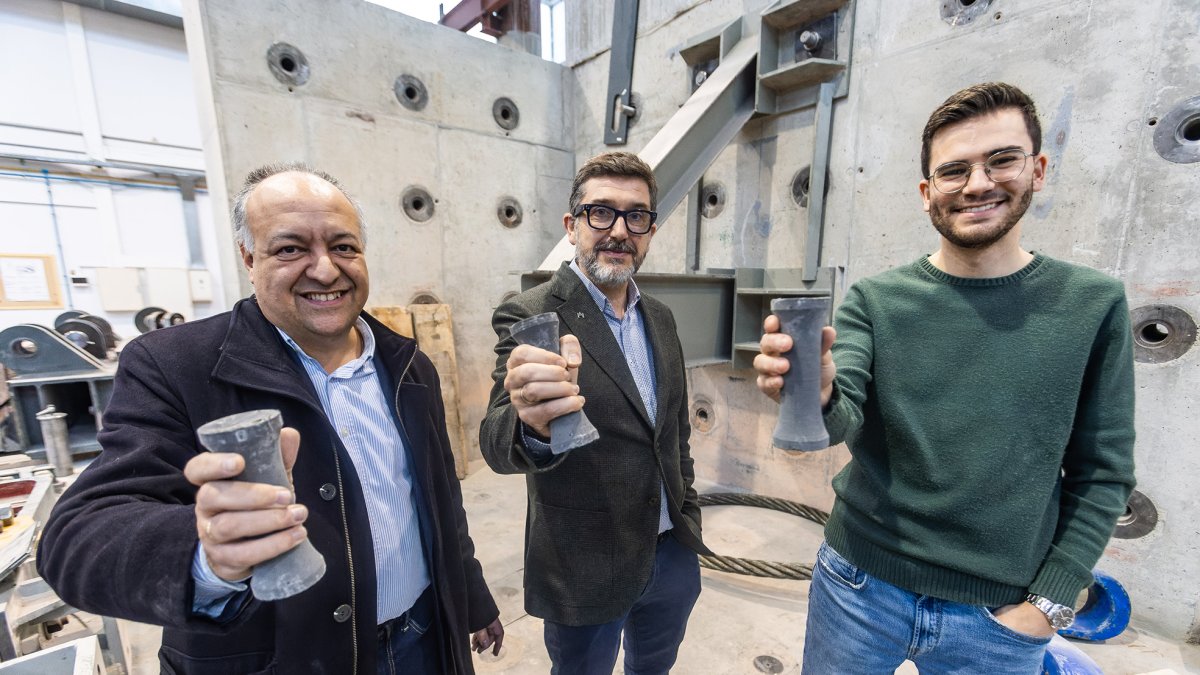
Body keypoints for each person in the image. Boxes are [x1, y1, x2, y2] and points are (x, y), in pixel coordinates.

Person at [38, 163, 503, 674]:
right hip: (285, 662)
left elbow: (439, 501)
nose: (326, 270)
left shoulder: (408, 364)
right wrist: (207, 554)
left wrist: (472, 597)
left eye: (344, 247)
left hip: (421, 639)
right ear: (248, 257)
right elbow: (79, 537)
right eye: (291, 249)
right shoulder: (175, 367)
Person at [755, 82, 1136, 673]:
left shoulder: (1091, 306)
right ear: (926, 191)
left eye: (1002, 160)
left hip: (999, 612)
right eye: (954, 170)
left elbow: (1104, 472)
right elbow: (841, 414)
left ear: (1037, 168)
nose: (978, 183)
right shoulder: (877, 300)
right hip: (858, 585)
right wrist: (818, 388)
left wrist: (1051, 604)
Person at [480, 151, 710, 675]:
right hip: (584, 562)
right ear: (572, 225)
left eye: (637, 216)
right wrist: (531, 425)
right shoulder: (532, 312)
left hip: (670, 550)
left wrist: (687, 513)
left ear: (650, 228)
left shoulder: (661, 316)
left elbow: (672, 433)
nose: (619, 231)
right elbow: (496, 443)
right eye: (600, 213)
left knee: (654, 667)